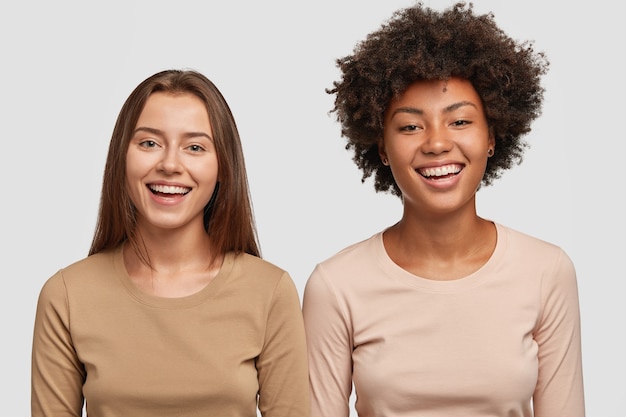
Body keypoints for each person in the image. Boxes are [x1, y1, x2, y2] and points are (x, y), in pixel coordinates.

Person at [302, 2, 584, 417]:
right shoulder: (336, 286)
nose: (436, 143)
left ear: (492, 136)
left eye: (460, 121)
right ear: (381, 146)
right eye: (410, 126)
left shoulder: (546, 271)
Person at [31, 69, 310, 417]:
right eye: (149, 143)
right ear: (122, 156)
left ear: (223, 166)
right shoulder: (67, 295)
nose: (170, 164)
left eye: (195, 147)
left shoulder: (269, 291)